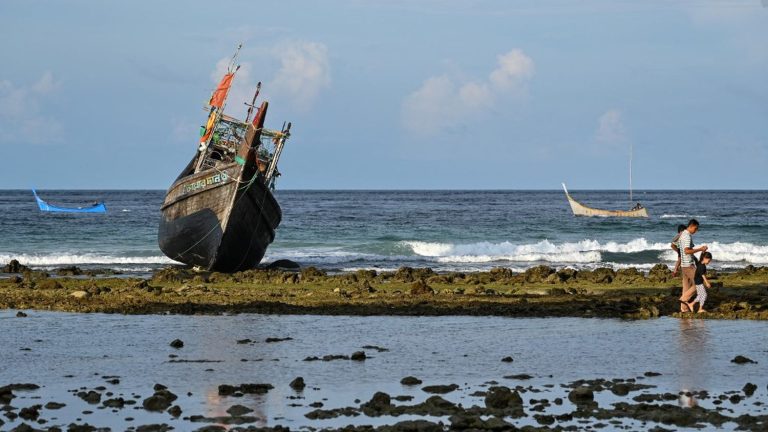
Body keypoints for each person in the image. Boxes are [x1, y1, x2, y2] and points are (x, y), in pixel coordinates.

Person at [677, 219, 708, 311]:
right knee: (700, 281)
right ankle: (683, 299)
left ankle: (684, 309)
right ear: (691, 226)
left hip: (684, 265)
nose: (696, 230)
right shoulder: (687, 236)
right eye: (696, 228)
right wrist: (700, 249)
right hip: (688, 265)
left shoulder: (682, 234)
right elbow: (687, 251)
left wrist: (695, 259)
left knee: (686, 287)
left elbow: (682, 250)